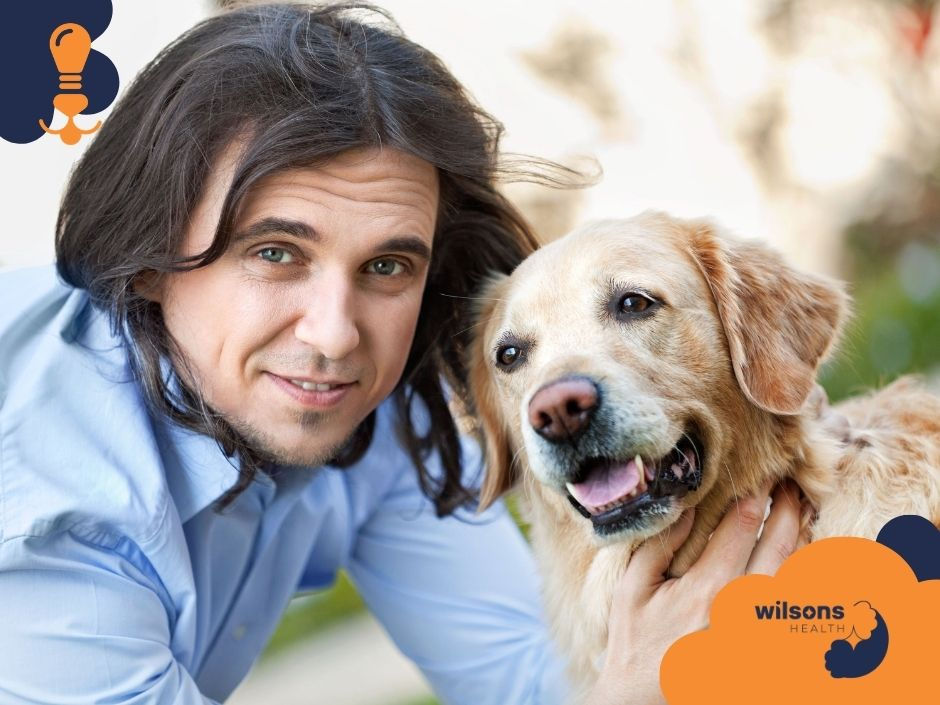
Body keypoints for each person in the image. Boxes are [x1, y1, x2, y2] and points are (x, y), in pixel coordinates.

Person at [0, 3, 801, 704]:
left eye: (386, 266)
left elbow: (530, 679)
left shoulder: (373, 408)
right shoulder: (50, 510)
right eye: (275, 252)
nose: (334, 334)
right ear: (146, 258)